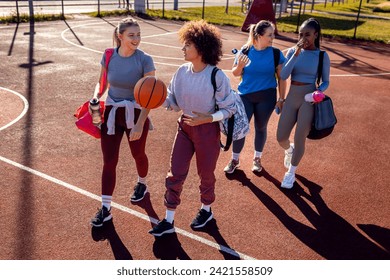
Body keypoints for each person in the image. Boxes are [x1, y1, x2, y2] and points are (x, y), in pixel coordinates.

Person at [148, 20, 236, 236]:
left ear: (202, 47)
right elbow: (174, 102)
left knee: (206, 175)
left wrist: (209, 118)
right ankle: (168, 220)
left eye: (187, 44)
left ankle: (206, 210)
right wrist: (156, 99)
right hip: (185, 128)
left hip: (207, 131)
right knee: (175, 173)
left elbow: (230, 109)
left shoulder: (217, 76)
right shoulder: (181, 71)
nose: (183, 48)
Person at [90, 18, 156, 227]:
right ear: (120, 36)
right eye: (131, 35)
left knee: (138, 154)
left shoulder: (145, 60)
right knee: (109, 161)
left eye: (138, 35)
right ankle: (106, 208)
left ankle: (142, 183)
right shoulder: (109, 55)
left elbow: (151, 95)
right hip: (111, 113)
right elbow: (101, 84)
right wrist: (95, 100)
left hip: (136, 114)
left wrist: (139, 124)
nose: (136, 39)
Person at [223, 20, 287, 174]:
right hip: (245, 96)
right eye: (270, 35)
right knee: (240, 128)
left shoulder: (276, 53)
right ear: (259, 35)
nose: (273, 38)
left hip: (267, 97)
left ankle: (257, 158)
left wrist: (281, 99)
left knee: (260, 127)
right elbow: (236, 73)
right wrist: (240, 66)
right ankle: (235, 159)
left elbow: (282, 78)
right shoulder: (245, 50)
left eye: (273, 34)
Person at [277, 18, 330, 189]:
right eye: (300, 34)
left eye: (307, 34)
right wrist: (296, 54)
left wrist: (317, 93)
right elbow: (284, 75)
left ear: (315, 35)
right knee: (281, 137)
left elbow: (325, 82)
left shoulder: (322, 55)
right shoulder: (293, 51)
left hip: (308, 100)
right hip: (292, 97)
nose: (303, 38)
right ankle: (289, 150)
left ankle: (290, 173)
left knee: (300, 138)